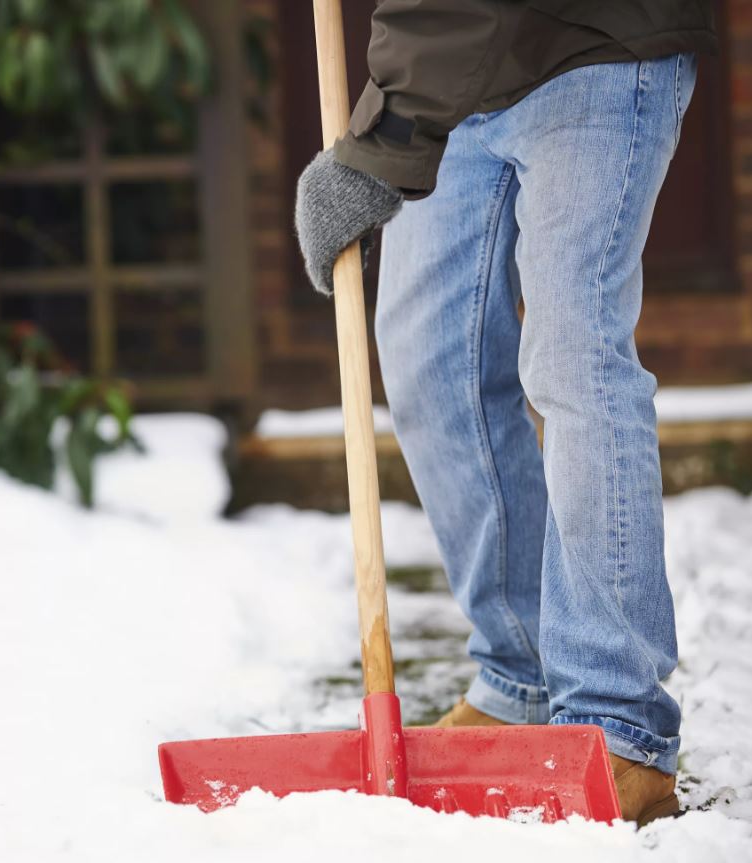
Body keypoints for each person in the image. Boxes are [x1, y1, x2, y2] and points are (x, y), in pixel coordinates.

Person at [294, 0, 715, 826]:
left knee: (572, 351)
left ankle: (614, 724)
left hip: (599, 39)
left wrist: (378, 146)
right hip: (461, 80)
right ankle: (521, 676)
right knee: (426, 354)